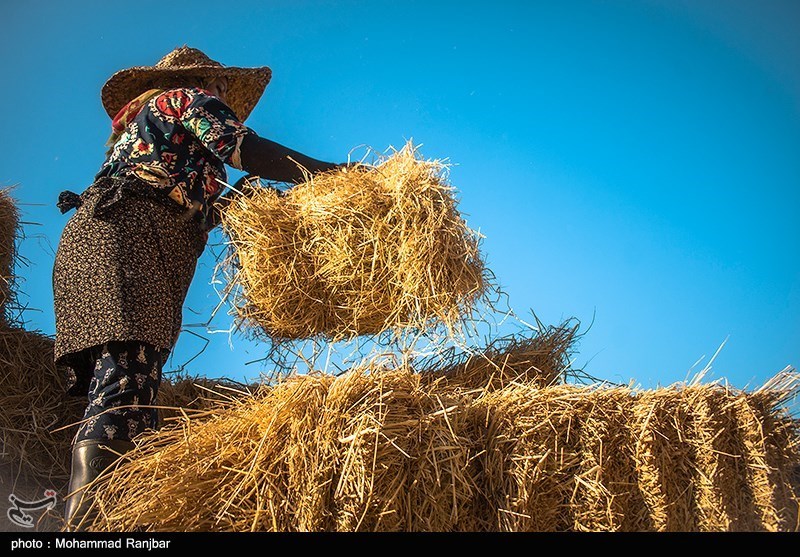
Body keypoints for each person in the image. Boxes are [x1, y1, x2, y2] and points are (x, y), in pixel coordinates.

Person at [53, 46, 347, 529]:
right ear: (204, 82)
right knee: (126, 389)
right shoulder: (183, 100)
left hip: (105, 241)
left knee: (129, 388)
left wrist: (244, 203)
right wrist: (332, 173)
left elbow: (187, 197)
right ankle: (85, 533)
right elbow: (245, 149)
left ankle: (115, 526)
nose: (224, 95)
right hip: (127, 240)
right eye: (223, 86)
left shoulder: (148, 139)